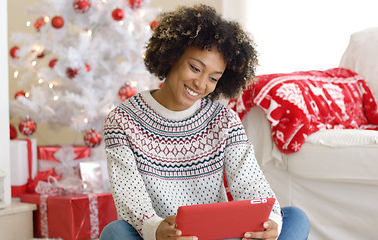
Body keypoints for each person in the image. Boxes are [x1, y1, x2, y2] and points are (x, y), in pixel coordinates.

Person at [100, 4, 310, 240]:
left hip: (217, 235)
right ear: (171, 57)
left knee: (293, 218)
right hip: (160, 236)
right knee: (115, 232)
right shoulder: (123, 120)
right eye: (195, 68)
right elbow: (130, 197)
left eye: (213, 78)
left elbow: (250, 182)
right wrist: (157, 229)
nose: (200, 84)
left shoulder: (224, 119)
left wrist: (271, 224)